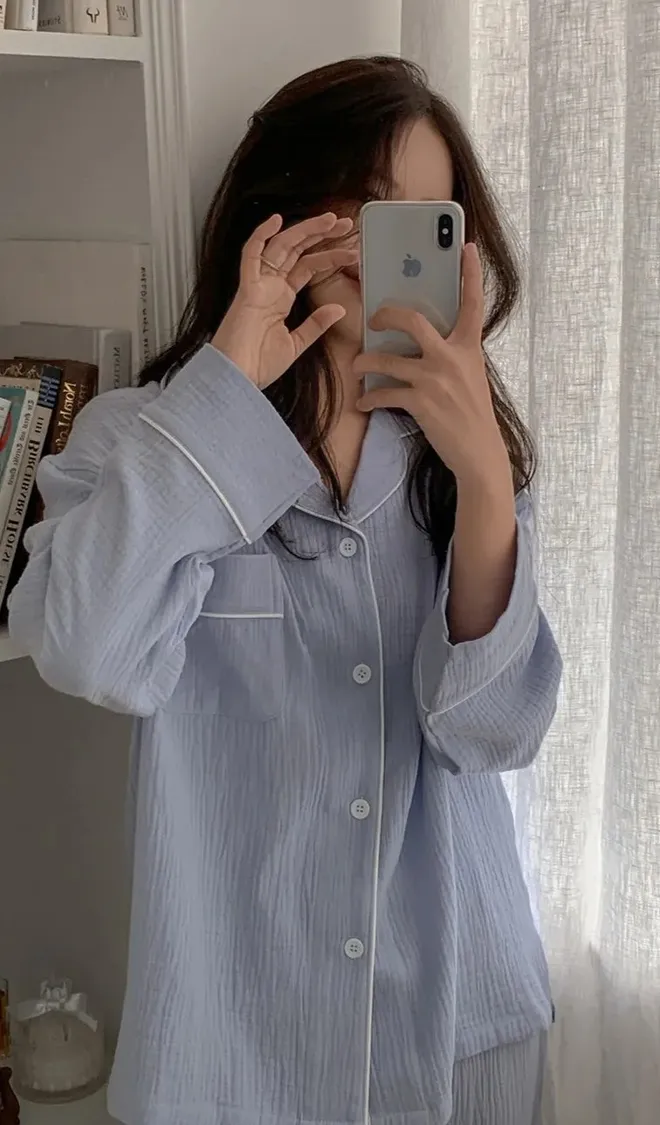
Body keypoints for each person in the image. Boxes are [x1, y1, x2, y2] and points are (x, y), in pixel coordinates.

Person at [9, 55, 562, 1125]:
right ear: (283, 211)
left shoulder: (460, 471)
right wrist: (227, 382)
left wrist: (488, 479)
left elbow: (493, 730)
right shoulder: (145, 440)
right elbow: (84, 650)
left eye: (425, 219)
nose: (386, 246)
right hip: (236, 1050)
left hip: (458, 1024)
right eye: (360, 204)